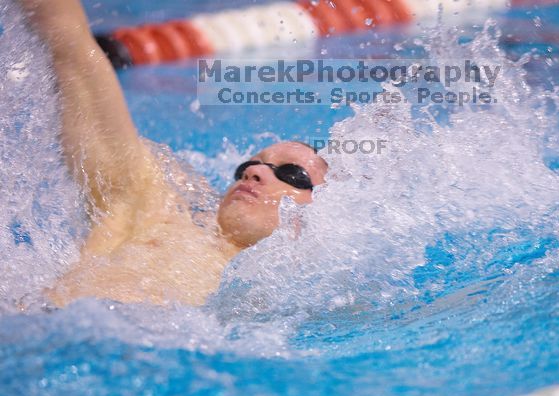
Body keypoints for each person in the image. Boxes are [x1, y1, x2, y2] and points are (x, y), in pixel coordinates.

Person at [19, 0, 328, 307]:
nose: (254, 172)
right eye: (249, 165)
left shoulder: (304, 296)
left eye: (291, 173)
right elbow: (71, 48)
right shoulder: (149, 211)